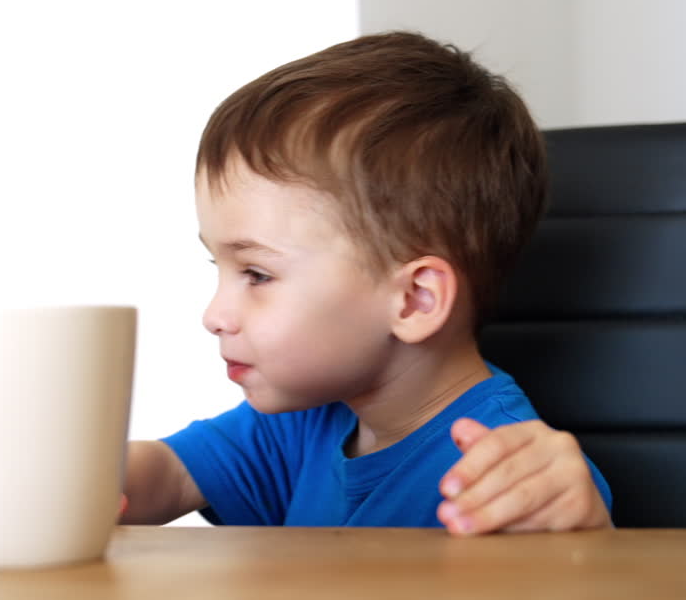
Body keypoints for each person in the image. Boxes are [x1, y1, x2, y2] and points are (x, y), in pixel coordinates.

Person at [121, 31, 612, 534]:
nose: (214, 316)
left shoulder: (509, 483)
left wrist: (581, 540)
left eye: (257, 274)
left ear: (415, 300)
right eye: (218, 268)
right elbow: (167, 477)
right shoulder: (302, 421)